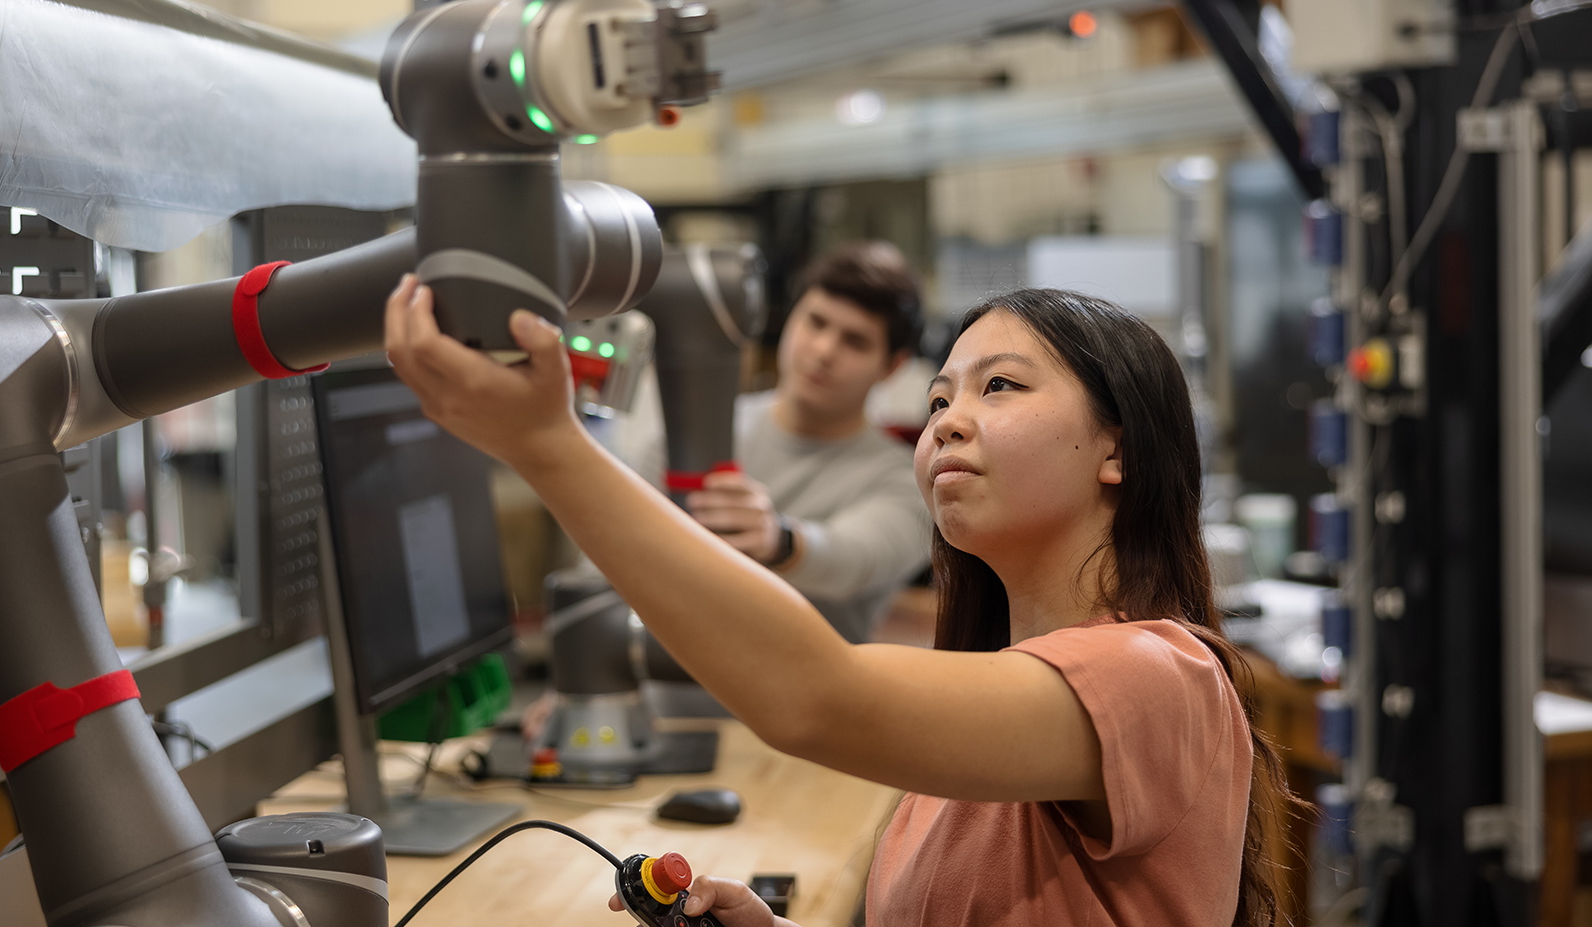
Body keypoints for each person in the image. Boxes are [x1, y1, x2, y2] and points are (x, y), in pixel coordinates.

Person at [385, 280, 1295, 926]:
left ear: (1117, 452)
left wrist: (550, 446)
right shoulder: (991, 698)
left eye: (999, 386)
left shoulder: (1154, 677)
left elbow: (814, 696)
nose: (947, 418)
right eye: (939, 397)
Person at [687, 241, 931, 643]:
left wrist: (777, 540)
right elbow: (613, 561)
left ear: (892, 366)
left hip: (798, 703)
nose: (823, 351)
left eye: (855, 341)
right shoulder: (696, 429)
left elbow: (851, 560)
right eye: (815, 322)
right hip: (659, 693)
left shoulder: (910, 481)